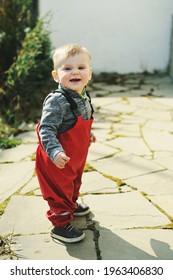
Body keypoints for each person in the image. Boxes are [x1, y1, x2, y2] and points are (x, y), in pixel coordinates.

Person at [35, 43, 96, 243]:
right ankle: (60, 225)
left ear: (89, 73)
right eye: (67, 68)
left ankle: (70, 204)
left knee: (74, 182)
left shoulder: (83, 94)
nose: (75, 72)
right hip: (57, 158)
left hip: (76, 155)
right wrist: (54, 152)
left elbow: (81, 120)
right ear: (56, 75)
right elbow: (47, 128)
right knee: (58, 189)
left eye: (81, 67)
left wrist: (88, 134)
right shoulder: (57, 100)